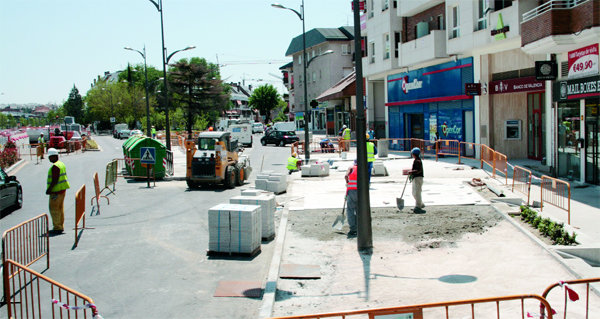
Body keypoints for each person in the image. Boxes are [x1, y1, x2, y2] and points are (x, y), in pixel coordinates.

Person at [46, 148, 70, 234]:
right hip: (62, 190)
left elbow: (55, 180)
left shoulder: (55, 166)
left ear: (54, 156)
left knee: (54, 209)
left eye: (50, 157)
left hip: (55, 191)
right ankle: (60, 225)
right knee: (60, 209)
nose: (49, 159)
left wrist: (49, 189)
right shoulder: (61, 164)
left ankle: (57, 227)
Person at [344, 160, 358, 237]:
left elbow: (346, 176)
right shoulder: (363, 169)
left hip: (351, 191)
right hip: (360, 191)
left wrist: (347, 182)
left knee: (350, 210)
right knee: (360, 210)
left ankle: (353, 229)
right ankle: (360, 227)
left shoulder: (351, 168)